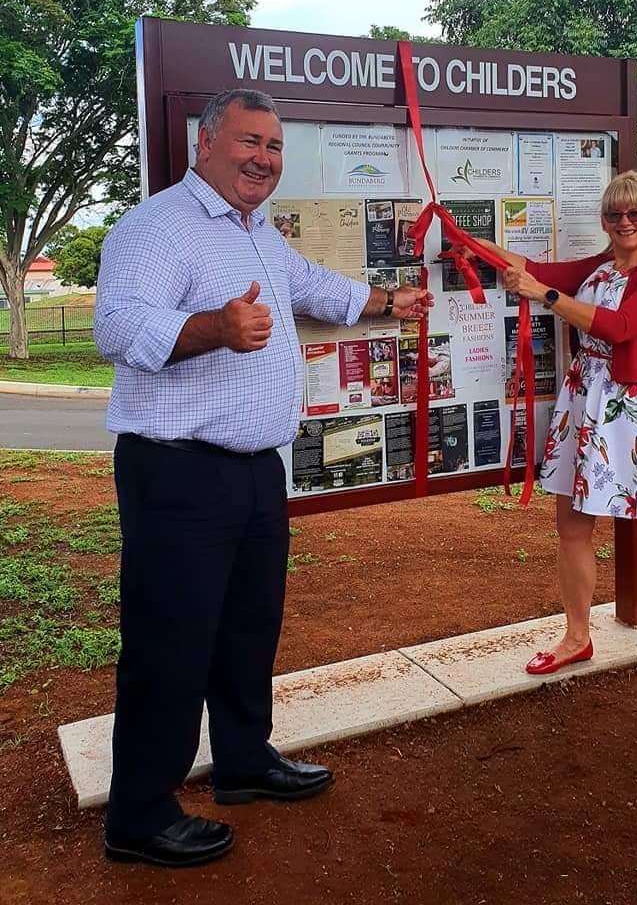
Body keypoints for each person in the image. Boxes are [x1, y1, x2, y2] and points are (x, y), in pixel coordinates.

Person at [94, 88, 432, 868]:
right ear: (204, 144)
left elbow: (311, 284)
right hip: (177, 475)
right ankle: (139, 815)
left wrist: (386, 301)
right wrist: (214, 327)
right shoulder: (155, 228)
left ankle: (245, 763)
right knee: (169, 645)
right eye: (250, 142)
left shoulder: (256, 233)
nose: (264, 159)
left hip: (252, 474)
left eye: (274, 147)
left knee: (249, 629)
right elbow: (115, 325)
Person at [461, 171, 637, 695]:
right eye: (614, 214)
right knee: (572, 527)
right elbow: (528, 267)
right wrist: (462, 239)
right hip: (584, 398)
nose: (624, 222)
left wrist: (544, 294)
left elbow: (618, 326)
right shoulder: (600, 267)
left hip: (633, 407)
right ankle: (576, 635)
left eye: (635, 213)